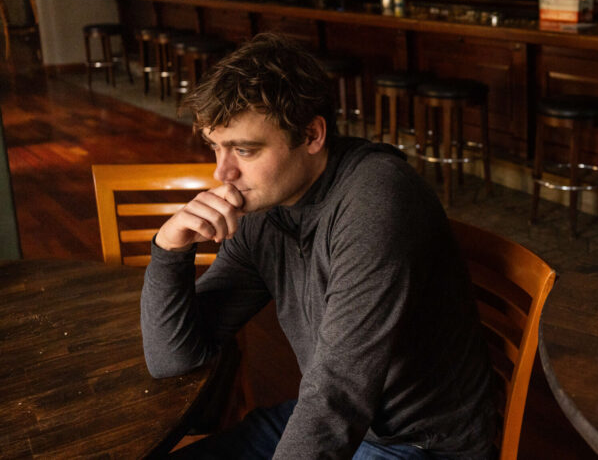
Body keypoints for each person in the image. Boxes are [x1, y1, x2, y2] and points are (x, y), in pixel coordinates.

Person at [141, 33, 496, 458]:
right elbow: (174, 359)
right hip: (340, 420)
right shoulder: (267, 212)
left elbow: (338, 397)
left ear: (312, 134)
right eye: (216, 148)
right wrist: (169, 250)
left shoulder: (375, 202)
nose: (223, 173)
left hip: (418, 445)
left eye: (244, 150)